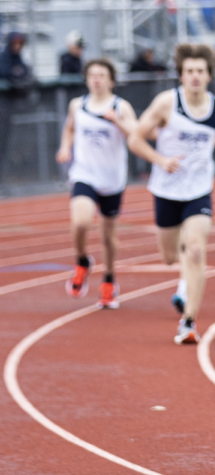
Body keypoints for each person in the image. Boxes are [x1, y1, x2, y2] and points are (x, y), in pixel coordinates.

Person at [128, 43, 215, 344]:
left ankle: (188, 321)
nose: (194, 77)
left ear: (209, 75)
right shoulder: (167, 103)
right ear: (180, 75)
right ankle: (182, 277)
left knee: (196, 250)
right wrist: (161, 160)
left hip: (199, 189)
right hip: (166, 189)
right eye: (189, 71)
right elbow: (136, 139)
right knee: (168, 256)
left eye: (200, 71)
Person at [55, 59, 137, 308]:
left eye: (102, 75)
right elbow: (69, 128)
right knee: (80, 222)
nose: (97, 79)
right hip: (85, 173)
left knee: (107, 236)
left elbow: (136, 135)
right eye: (92, 75)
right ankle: (82, 261)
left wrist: (117, 121)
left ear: (111, 80)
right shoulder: (77, 105)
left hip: (111, 179)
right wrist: (65, 147)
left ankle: (109, 282)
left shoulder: (121, 107)